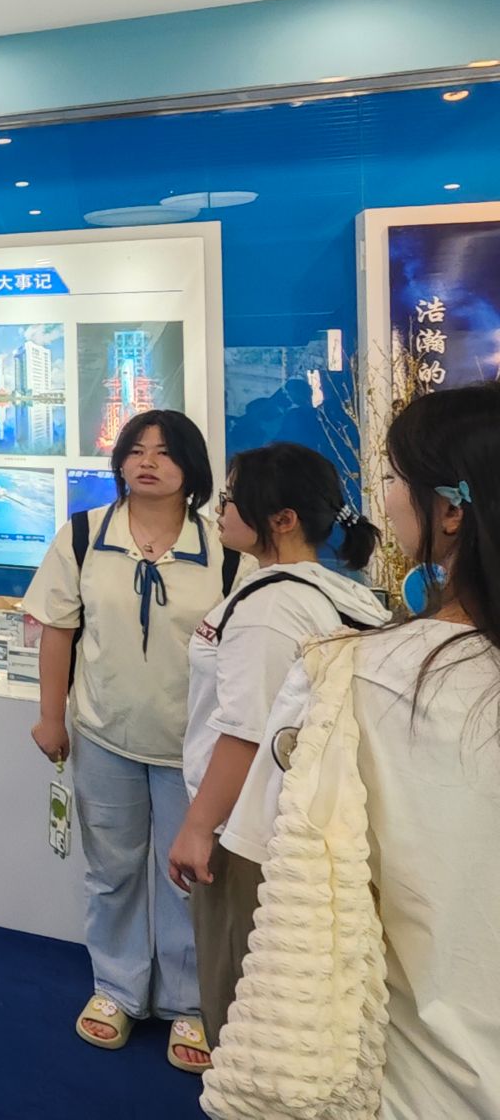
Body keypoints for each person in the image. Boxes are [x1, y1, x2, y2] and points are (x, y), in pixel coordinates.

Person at [217, 384, 500, 1117]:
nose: (387, 497)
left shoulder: (350, 675)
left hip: (408, 1071)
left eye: (396, 477)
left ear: (451, 510)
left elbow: (276, 861)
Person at [24, 409, 247, 1072]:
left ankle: (188, 1002)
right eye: (136, 450)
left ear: (192, 469)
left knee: (189, 879)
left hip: (193, 749)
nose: (147, 461)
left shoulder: (228, 554)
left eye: (165, 452)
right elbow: (58, 628)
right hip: (104, 736)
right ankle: (117, 988)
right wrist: (51, 716)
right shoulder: (84, 535)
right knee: (111, 870)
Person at [165, 442, 388, 1046]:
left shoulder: (269, 607)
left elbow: (246, 732)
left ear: (283, 519)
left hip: (246, 830)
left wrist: (197, 828)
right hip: (299, 821)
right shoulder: (338, 592)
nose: (220, 510)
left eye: (232, 499)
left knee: (238, 997)